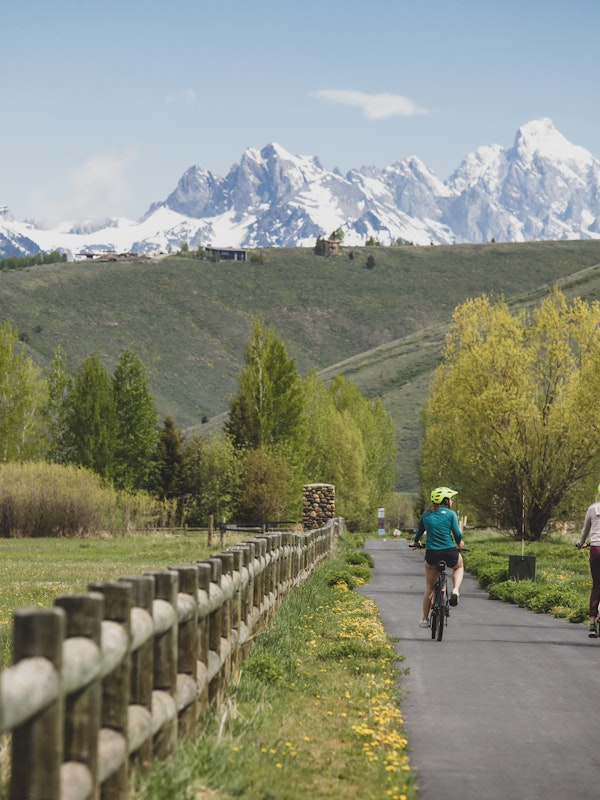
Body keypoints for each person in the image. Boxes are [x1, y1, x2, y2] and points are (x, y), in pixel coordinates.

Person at [409, 486, 465, 628]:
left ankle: (424, 619)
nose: (452, 501)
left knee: (429, 586)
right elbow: (457, 534)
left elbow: (419, 533)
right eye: (451, 498)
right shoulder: (451, 514)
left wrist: (416, 542)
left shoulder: (426, 514)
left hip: (432, 553)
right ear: (445, 500)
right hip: (449, 551)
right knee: (459, 566)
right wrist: (459, 543)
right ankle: (455, 590)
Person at [576, 485, 600, 638]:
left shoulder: (592, 509)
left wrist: (580, 543)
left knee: (596, 585)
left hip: (596, 549)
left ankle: (592, 623)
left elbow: (585, 530)